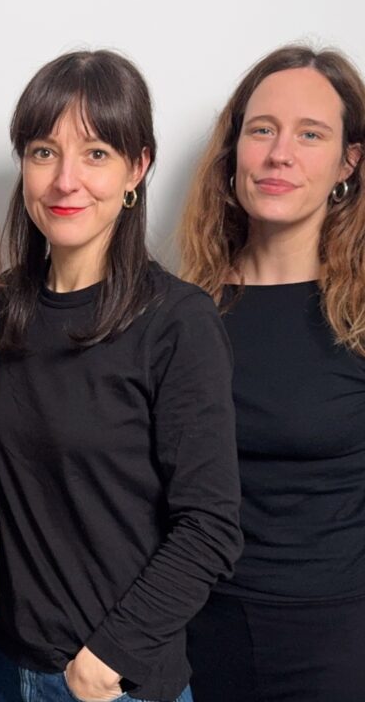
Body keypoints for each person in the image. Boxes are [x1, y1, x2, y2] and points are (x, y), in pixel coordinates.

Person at [0, 50, 243, 702]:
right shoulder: (10, 303)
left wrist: (104, 660)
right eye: (45, 152)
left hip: (108, 682)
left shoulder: (177, 320)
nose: (66, 180)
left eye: (95, 154)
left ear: (138, 168)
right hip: (9, 666)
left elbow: (211, 526)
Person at [180, 46, 365, 702]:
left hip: (336, 647)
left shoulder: (360, 315)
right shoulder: (183, 309)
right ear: (234, 151)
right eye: (262, 130)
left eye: (310, 135)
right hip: (192, 640)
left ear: (349, 161)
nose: (280, 153)